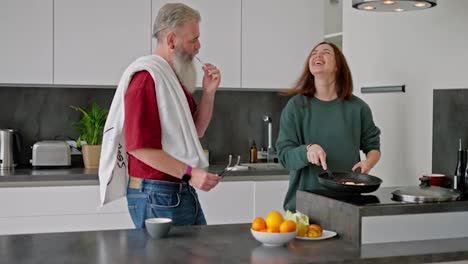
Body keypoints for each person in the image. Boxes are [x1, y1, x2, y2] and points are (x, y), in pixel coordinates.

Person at [99, 3, 222, 227]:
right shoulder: (147, 79)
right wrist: (191, 174)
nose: (198, 46)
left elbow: (197, 131)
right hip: (157, 194)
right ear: (172, 40)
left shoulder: (171, 80)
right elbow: (139, 147)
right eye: (193, 39)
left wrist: (209, 93)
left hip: (175, 191)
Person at [276, 42, 381, 212]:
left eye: (325, 52)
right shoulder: (296, 106)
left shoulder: (358, 108)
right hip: (304, 206)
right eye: (313, 53)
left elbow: (373, 147)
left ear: (338, 66)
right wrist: (307, 150)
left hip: (348, 206)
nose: (317, 55)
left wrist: (368, 163)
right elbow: (284, 157)